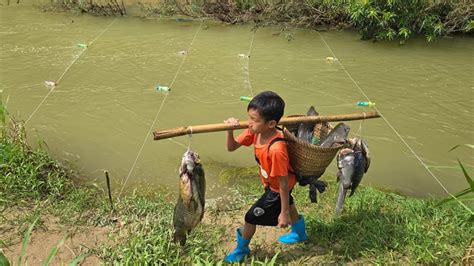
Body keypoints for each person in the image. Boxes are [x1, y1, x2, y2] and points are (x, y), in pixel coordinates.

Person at [223, 91, 307, 263]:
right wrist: (229, 131)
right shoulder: (255, 131)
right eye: (249, 117)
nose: (249, 123)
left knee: (250, 217)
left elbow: (283, 185)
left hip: (277, 188)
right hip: (273, 183)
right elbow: (231, 148)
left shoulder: (276, 149)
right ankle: (300, 233)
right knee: (289, 203)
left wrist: (282, 214)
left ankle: (241, 249)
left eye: (254, 119)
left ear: (271, 123)